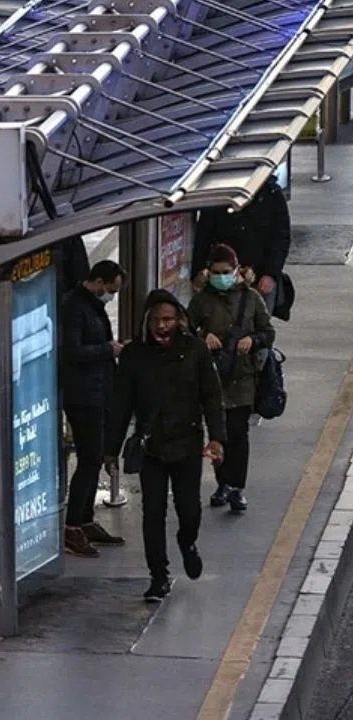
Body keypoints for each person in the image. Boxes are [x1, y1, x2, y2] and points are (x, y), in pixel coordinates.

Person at [105, 290, 226, 602]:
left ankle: (188, 542)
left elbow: (211, 397)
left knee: (189, 510)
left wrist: (217, 438)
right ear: (147, 321)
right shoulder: (133, 356)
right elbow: (120, 404)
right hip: (152, 446)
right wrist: (111, 450)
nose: (162, 326)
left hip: (187, 444)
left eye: (168, 319)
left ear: (179, 320)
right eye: (157, 320)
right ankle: (158, 575)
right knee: (152, 514)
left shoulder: (196, 350)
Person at [187, 244, 275, 513]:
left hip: (242, 376)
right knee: (219, 433)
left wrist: (253, 339)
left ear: (236, 270)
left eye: (226, 272)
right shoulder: (202, 300)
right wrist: (203, 337)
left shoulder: (251, 299)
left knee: (239, 433)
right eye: (216, 272)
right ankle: (222, 483)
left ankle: (237, 487)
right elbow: (187, 330)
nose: (221, 277)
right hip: (212, 377)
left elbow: (267, 332)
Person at [60, 260, 128, 557]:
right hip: (82, 395)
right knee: (88, 460)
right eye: (110, 290)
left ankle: (85, 520)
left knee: (94, 457)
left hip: (97, 391)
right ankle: (73, 525)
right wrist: (107, 349)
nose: (111, 296)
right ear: (98, 282)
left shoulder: (90, 305)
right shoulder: (75, 307)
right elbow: (72, 350)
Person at [193, 173, 291, 314]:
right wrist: (199, 272)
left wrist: (271, 273)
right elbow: (203, 236)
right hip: (222, 275)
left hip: (259, 276)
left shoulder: (271, 194)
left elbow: (281, 238)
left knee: (257, 323)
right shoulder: (219, 194)